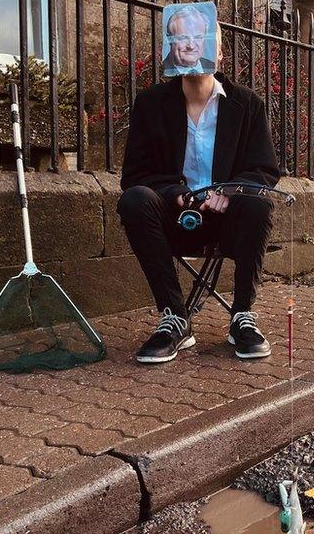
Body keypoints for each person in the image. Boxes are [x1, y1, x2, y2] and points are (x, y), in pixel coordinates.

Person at [118, 23, 279, 364]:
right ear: (171, 50)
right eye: (181, 38)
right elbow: (134, 175)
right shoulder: (150, 104)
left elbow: (264, 170)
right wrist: (174, 191)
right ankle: (175, 318)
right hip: (174, 218)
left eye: (201, 40)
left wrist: (229, 192)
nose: (191, 45)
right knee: (134, 200)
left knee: (259, 203)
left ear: (220, 54)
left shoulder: (248, 104)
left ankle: (242, 316)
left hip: (227, 221)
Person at [162, 5, 217, 75]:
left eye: (198, 37)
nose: (191, 46)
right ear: (169, 39)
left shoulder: (213, 67)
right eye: (183, 38)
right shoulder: (156, 72)